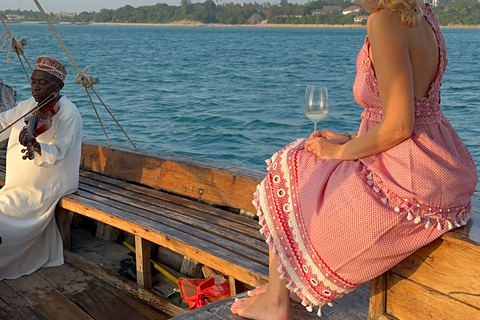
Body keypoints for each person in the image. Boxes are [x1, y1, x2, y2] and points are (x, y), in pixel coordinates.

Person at [231, 0, 477, 319]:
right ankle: (283, 285)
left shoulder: (385, 21)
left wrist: (339, 152)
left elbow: (400, 125)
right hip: (443, 165)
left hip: (411, 175)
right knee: (311, 165)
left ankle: (275, 302)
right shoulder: (422, 12)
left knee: (294, 162)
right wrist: (349, 139)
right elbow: (415, 112)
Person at [0, 56, 82, 280]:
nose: (36, 87)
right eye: (33, 81)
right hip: (18, 185)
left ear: (59, 86)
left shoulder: (68, 113)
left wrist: (36, 145)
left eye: (43, 83)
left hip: (50, 182)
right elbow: (3, 122)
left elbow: (58, 152)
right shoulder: (29, 105)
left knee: (6, 218)